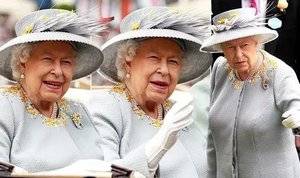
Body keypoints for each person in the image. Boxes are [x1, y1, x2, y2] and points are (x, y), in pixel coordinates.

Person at [88, 6, 212, 178]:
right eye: (154, 58)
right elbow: (103, 173)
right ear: (127, 63)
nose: (164, 70)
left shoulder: (178, 112)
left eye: (173, 61)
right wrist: (157, 146)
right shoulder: (107, 108)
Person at [0, 8, 112, 175]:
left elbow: (108, 165)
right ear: (23, 62)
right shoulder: (5, 108)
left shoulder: (78, 110)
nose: (58, 71)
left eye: (66, 62)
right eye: (48, 60)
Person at [200, 7, 300, 177]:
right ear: (221, 49)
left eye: (244, 45)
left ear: (256, 42)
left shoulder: (279, 72)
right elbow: (212, 136)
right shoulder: (220, 70)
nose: (238, 55)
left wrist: (295, 116)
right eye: (230, 47)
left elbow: (294, 104)